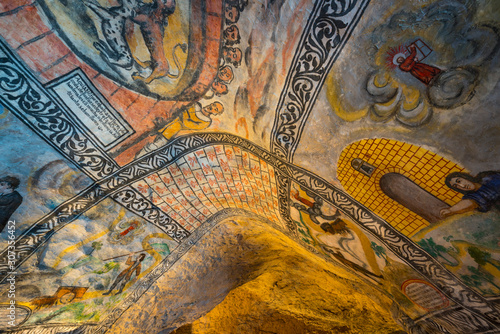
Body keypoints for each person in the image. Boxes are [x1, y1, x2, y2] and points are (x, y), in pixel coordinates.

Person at [159, 101, 224, 140]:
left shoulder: (206, 122)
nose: (212, 107)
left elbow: (188, 124)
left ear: (215, 113)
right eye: (213, 105)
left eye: (215, 109)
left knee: (177, 125)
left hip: (173, 128)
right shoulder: (196, 105)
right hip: (165, 118)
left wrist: (182, 114)